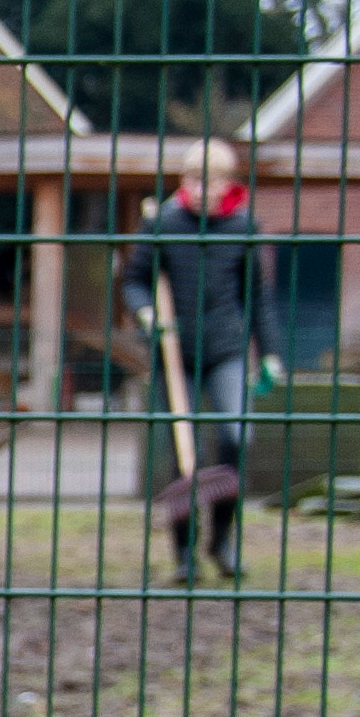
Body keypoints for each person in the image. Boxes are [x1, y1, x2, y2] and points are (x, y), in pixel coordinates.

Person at [114, 164, 279, 584]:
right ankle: (185, 555)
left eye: (211, 180)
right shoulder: (163, 222)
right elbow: (134, 281)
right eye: (194, 180)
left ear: (228, 183)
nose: (202, 189)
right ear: (184, 182)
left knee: (236, 437)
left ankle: (221, 541)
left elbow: (256, 298)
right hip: (176, 354)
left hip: (227, 349)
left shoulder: (244, 226)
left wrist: (271, 354)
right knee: (185, 456)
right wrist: (146, 312)